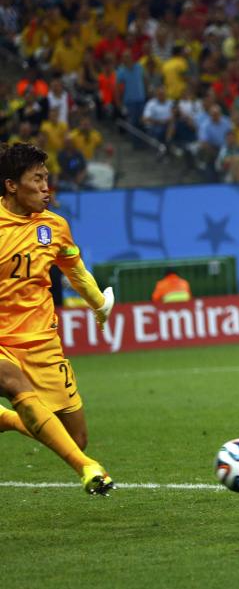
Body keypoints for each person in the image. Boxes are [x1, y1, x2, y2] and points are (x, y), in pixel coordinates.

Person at [0, 143, 115, 495]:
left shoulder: (55, 227)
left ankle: (11, 420)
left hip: (41, 342)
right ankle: (88, 469)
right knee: (14, 383)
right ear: (12, 186)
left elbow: (76, 272)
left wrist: (100, 306)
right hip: (2, 340)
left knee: (76, 437)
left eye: (47, 178)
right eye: (37, 179)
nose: (46, 187)